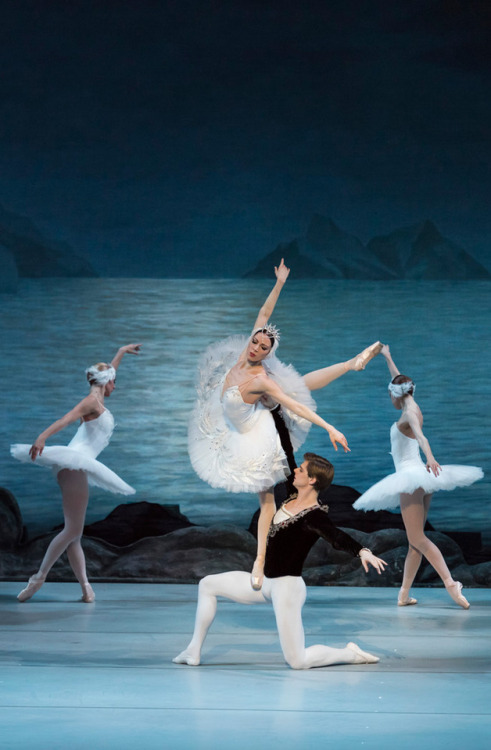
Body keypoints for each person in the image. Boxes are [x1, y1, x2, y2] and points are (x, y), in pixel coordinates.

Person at [188, 259, 382, 590]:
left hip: (257, 431)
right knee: (301, 383)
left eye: (263, 348)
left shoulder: (261, 377)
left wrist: (329, 427)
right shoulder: (241, 356)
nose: (256, 348)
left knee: (267, 498)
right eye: (255, 342)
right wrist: (279, 283)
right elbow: (263, 316)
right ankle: (350, 364)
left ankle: (260, 560)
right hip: (232, 425)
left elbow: (292, 405)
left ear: (267, 354)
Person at [174, 452, 387, 669]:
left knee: (297, 661)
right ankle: (193, 650)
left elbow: (337, 537)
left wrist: (362, 551)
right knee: (208, 584)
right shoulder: (291, 494)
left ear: (312, 480)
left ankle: (350, 654)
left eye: (301, 470)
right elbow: (285, 447)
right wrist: (272, 419)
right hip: (265, 583)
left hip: (287, 589)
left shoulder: (315, 517)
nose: (295, 470)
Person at [353, 345, 483, 609]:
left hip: (411, 477)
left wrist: (431, 456)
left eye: (389, 394)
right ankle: (403, 594)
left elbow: (421, 437)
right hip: (421, 478)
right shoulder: (410, 400)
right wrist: (388, 357)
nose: (389, 397)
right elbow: (399, 380)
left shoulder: (409, 413)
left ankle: (450, 583)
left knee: (418, 539)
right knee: (414, 542)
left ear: (396, 395)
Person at [11, 343, 142, 603]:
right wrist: (42, 437)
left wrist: (121, 351)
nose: (116, 386)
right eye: (114, 382)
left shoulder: (98, 397)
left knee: (75, 534)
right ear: (106, 383)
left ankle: (86, 589)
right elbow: (66, 418)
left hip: (74, 465)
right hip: (75, 464)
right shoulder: (91, 402)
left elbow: (110, 372)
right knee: (72, 531)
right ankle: (38, 578)